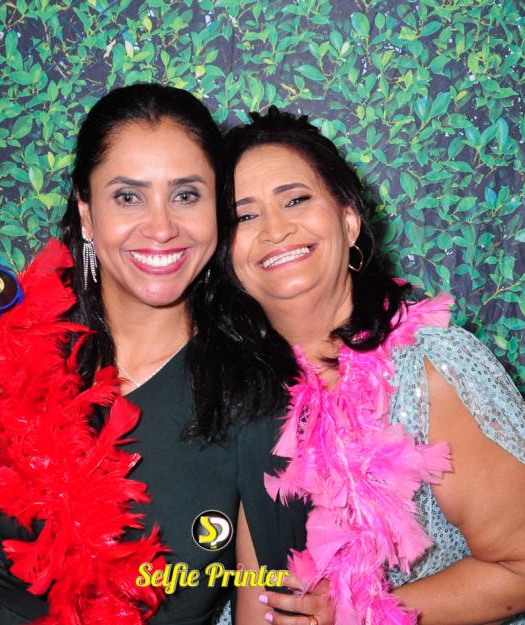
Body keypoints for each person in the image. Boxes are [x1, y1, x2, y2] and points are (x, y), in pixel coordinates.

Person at [0, 86, 306, 625]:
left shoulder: (263, 397)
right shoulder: (9, 347)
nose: (161, 227)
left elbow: (267, 606)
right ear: (87, 214)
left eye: (186, 195)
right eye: (128, 197)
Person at [217, 107, 525, 625]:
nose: (275, 229)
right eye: (244, 216)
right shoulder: (242, 386)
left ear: (348, 219)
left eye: (296, 199)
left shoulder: (431, 370)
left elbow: (520, 569)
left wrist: (357, 613)